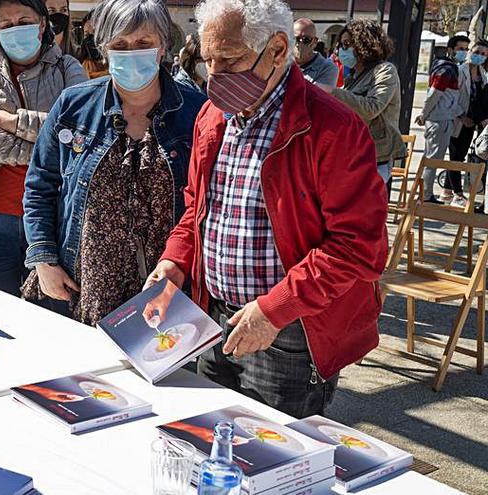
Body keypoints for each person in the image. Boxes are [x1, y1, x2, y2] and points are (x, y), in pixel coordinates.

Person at [145, 0, 388, 419]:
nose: (215, 77)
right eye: (208, 62)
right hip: (212, 314)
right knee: (206, 444)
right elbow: (198, 208)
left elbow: (357, 247)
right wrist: (175, 262)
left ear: (277, 50)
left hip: (290, 330)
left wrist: (275, 309)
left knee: (274, 462)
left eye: (230, 60)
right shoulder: (213, 116)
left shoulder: (332, 127)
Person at [22, 0, 208, 324]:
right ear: (104, 49)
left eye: (143, 43)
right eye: (120, 44)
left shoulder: (198, 113)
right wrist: (43, 259)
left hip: (168, 293)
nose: (131, 52)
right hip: (82, 287)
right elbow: (40, 185)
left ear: (162, 46)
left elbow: (208, 206)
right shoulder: (73, 106)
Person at [0, 0, 86, 296]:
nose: (16, 30)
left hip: (54, 217)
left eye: (24, 21)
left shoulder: (67, 67)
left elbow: (80, 130)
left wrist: (14, 121)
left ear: (41, 24)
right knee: (1, 311)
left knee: (56, 313)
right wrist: (42, 152)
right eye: (7, 25)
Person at [323, 20, 406, 186]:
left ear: (364, 43)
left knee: (360, 208)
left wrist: (332, 92)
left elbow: (372, 108)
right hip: (353, 155)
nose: (341, 50)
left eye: (347, 44)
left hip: (375, 158)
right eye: (340, 44)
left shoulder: (385, 70)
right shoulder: (353, 76)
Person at [417, 35, 469, 203]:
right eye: (461, 49)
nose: (464, 52)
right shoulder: (446, 69)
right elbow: (435, 94)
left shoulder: (449, 67)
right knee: (432, 159)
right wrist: (424, 114)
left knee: (432, 158)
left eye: (466, 49)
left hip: (441, 118)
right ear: (450, 49)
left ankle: (425, 193)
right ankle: (425, 195)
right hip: (439, 120)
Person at [445, 40, 488, 206]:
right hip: (459, 120)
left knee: (461, 156)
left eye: (484, 54)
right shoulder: (459, 71)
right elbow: (451, 98)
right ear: (471, 51)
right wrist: (462, 116)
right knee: (456, 157)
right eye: (477, 52)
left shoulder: (483, 74)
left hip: (473, 122)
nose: (479, 56)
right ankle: (457, 194)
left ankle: (448, 192)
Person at [293, 18, 338, 86]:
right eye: (295, 39)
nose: (298, 44)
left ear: (314, 42)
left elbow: (316, 95)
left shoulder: (327, 68)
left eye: (306, 40)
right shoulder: (281, 62)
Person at [77, 10, 108, 79]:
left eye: (95, 33)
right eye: (87, 34)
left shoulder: (120, 66)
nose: (91, 38)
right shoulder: (81, 68)